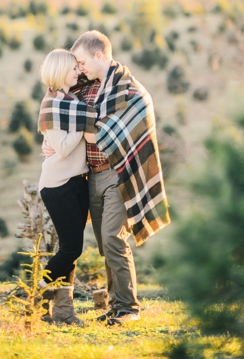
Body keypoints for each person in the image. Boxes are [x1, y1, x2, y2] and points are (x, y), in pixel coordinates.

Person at [66, 30, 170, 325]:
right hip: (93, 176)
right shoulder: (85, 88)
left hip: (119, 172)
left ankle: (129, 309)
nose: (80, 68)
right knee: (104, 242)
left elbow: (108, 133)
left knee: (114, 237)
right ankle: (114, 305)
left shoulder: (130, 90)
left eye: (82, 62)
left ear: (99, 56)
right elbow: (64, 108)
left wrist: (88, 131)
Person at [36, 49, 99, 325]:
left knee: (69, 251)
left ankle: (64, 313)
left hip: (77, 182)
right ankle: (35, 295)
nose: (78, 72)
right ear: (61, 70)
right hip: (57, 185)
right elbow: (61, 148)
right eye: (73, 68)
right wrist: (83, 127)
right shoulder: (52, 104)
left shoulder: (73, 100)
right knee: (71, 249)